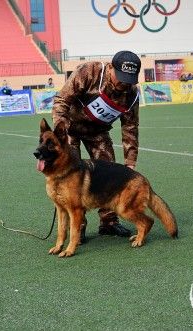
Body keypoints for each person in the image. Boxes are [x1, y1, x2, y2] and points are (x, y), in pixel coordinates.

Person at [52, 50, 142, 241]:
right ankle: (79, 228)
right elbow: (61, 100)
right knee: (72, 179)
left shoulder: (131, 95)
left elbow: (130, 128)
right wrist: (60, 135)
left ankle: (109, 223)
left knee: (110, 174)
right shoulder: (90, 72)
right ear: (111, 68)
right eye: (120, 78)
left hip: (98, 132)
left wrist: (130, 162)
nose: (123, 84)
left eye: (129, 80)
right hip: (70, 129)